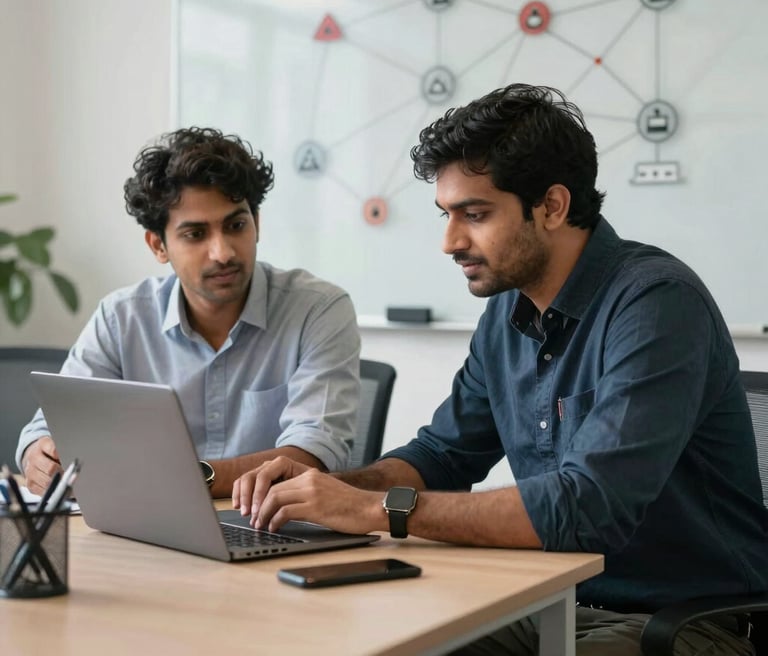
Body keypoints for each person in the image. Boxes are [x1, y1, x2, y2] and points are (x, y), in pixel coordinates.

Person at [232, 85, 768, 655]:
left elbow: (588, 508)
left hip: (680, 623)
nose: (450, 241)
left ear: (553, 206)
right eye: (446, 215)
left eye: (476, 214)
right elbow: (441, 457)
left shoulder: (657, 304)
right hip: (542, 599)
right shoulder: (505, 314)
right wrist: (330, 489)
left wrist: (374, 509)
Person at [17, 127, 361, 498]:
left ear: (256, 223)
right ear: (158, 245)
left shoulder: (318, 310)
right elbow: (50, 429)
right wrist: (40, 455)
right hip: (148, 530)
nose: (223, 252)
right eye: (196, 234)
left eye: (236, 225)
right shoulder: (121, 318)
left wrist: (185, 477)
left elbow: (312, 456)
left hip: (270, 529)